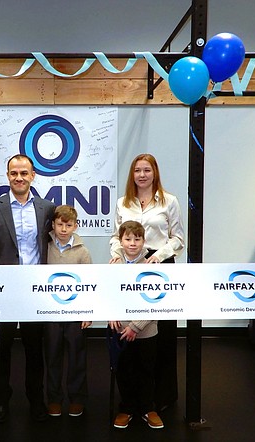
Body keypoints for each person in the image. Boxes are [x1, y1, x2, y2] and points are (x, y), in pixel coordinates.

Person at [0, 153, 56, 423]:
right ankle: (0, 401)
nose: (19, 178)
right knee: (1, 350)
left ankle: (36, 400)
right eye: (14, 173)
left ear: (33, 175)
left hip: (35, 290)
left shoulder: (48, 208)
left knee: (35, 350)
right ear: (7, 176)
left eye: (24, 173)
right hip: (4, 291)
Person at [109, 153, 185, 411]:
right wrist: (117, 256)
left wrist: (158, 257)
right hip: (128, 265)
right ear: (132, 174)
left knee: (160, 334)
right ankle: (129, 399)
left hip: (159, 268)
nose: (142, 175)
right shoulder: (123, 202)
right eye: (137, 170)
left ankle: (160, 398)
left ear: (155, 173)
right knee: (130, 330)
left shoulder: (169, 201)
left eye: (147, 170)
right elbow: (115, 236)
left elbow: (178, 239)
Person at [109, 221, 162, 430]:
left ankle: (148, 408)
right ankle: (127, 409)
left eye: (137, 239)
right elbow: (108, 294)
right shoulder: (113, 264)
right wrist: (112, 314)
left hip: (146, 331)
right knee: (124, 370)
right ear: (120, 241)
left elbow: (155, 301)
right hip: (120, 329)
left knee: (146, 371)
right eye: (128, 239)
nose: (132, 243)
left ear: (144, 241)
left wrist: (135, 326)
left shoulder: (152, 265)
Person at [44, 205, 92, 418]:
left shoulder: (82, 251)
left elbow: (90, 284)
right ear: (53, 225)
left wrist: (87, 313)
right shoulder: (44, 246)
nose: (64, 229)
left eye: (68, 225)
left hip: (75, 313)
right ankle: (54, 399)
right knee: (52, 357)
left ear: (76, 226)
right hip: (51, 312)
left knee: (76, 358)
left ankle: (77, 399)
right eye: (60, 224)